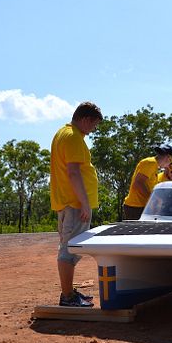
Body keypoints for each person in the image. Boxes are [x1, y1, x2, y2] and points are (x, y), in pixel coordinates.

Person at [50, 101, 103, 307]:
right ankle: (67, 297)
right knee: (69, 250)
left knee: (71, 248)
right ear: (85, 119)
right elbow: (73, 172)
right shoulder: (73, 137)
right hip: (74, 203)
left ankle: (69, 292)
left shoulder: (64, 133)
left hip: (68, 202)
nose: (93, 130)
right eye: (94, 125)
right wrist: (84, 203)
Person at [122, 144, 172, 220]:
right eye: (171, 163)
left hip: (140, 207)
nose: (168, 166)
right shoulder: (151, 163)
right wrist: (152, 198)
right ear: (168, 158)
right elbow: (138, 183)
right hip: (135, 206)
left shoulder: (154, 166)